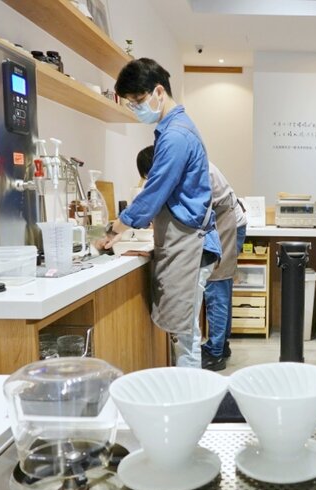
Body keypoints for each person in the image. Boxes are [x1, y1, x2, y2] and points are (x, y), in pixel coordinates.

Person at [102, 58, 220, 368]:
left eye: (138, 100)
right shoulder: (174, 129)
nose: (136, 108)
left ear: (158, 91)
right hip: (187, 243)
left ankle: (188, 394)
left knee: (185, 337)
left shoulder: (176, 135)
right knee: (185, 333)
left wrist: (117, 227)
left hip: (190, 245)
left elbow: (154, 191)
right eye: (130, 103)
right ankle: (185, 390)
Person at [135, 146, 247, 371]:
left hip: (226, 222)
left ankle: (215, 353)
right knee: (219, 286)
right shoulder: (183, 166)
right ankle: (220, 346)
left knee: (217, 287)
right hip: (219, 221)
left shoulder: (189, 171)